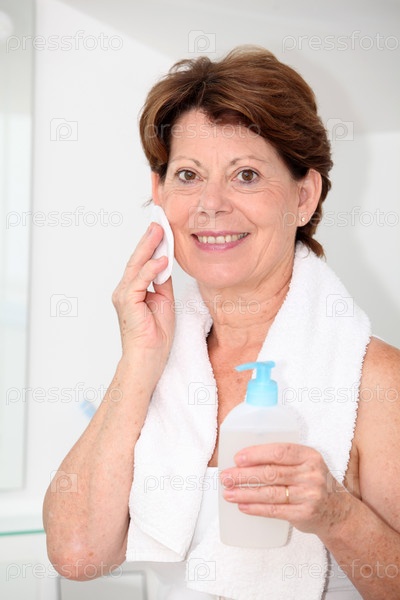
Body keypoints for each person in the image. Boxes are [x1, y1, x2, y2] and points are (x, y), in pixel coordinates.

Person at [43, 47, 400, 599]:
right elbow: (77, 554)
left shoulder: (376, 381)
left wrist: (336, 514)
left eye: (246, 175)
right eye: (188, 175)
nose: (211, 204)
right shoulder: (162, 365)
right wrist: (138, 361)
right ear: (160, 193)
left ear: (305, 196)